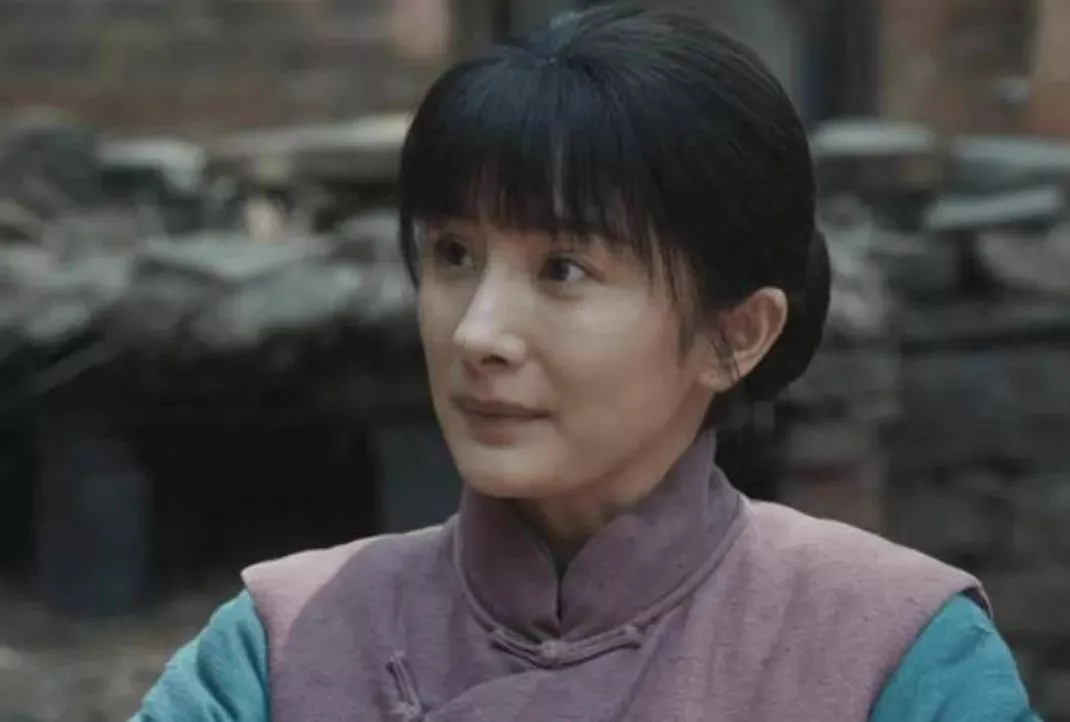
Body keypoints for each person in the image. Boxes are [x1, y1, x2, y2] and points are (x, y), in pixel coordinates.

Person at [132, 6, 1040, 721]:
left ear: (737, 334)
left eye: (564, 269)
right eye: (453, 255)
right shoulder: (279, 649)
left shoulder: (897, 656)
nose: (477, 332)